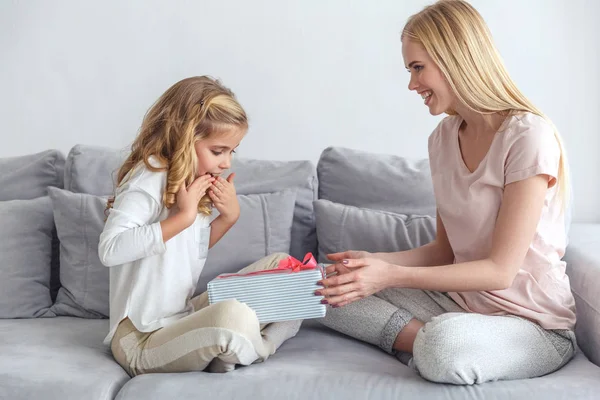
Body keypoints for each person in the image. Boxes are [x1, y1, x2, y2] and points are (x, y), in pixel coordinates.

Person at [316, 0, 576, 385]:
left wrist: (388, 276)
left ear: (456, 57)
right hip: (459, 304)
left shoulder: (527, 136)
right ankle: (422, 340)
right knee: (323, 284)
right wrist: (371, 264)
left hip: (531, 325)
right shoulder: (441, 139)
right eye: (410, 70)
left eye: (418, 67)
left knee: (443, 346)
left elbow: (500, 271)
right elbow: (444, 252)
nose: (411, 84)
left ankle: (425, 343)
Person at [99, 76, 300, 376]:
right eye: (218, 151)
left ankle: (225, 347)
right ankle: (258, 346)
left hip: (181, 319)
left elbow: (184, 252)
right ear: (184, 138)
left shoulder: (194, 180)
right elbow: (110, 250)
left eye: (232, 151)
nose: (226, 163)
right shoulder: (148, 177)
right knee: (234, 317)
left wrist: (228, 219)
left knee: (289, 271)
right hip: (140, 339)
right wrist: (181, 218)